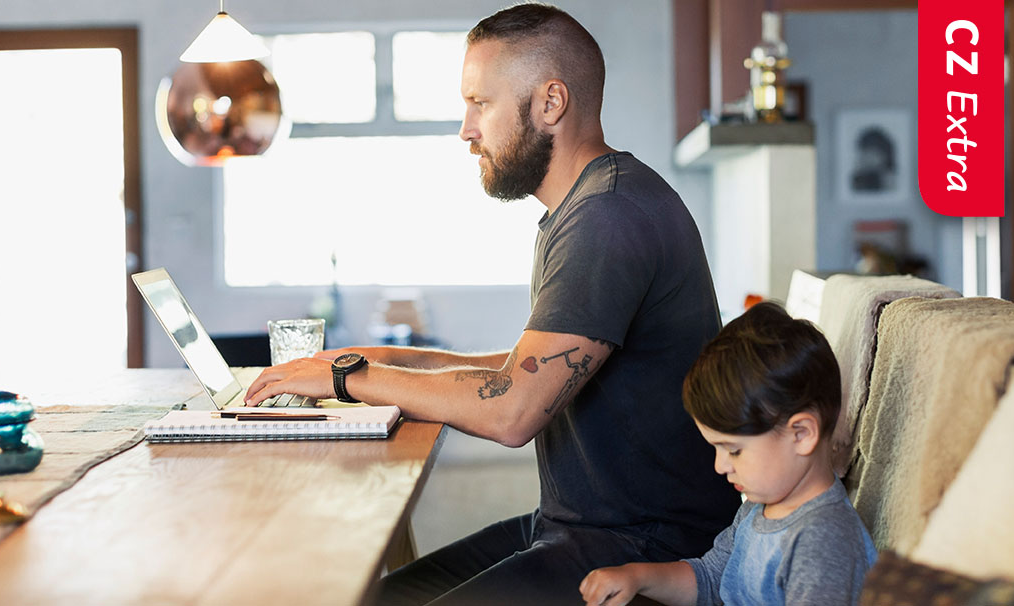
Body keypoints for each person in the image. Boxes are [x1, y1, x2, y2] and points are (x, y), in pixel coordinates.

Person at [245, 3, 739, 604]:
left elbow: (513, 411)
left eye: (481, 103)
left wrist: (355, 379)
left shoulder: (608, 218)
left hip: (644, 552)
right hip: (582, 530)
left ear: (550, 103)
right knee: (380, 596)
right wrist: (374, 360)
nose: (466, 129)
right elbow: (528, 367)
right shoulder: (587, 206)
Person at [579, 302, 878, 606]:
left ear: (801, 434)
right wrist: (636, 576)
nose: (720, 466)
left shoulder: (824, 541)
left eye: (734, 451)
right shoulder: (758, 508)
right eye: (716, 448)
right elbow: (711, 578)